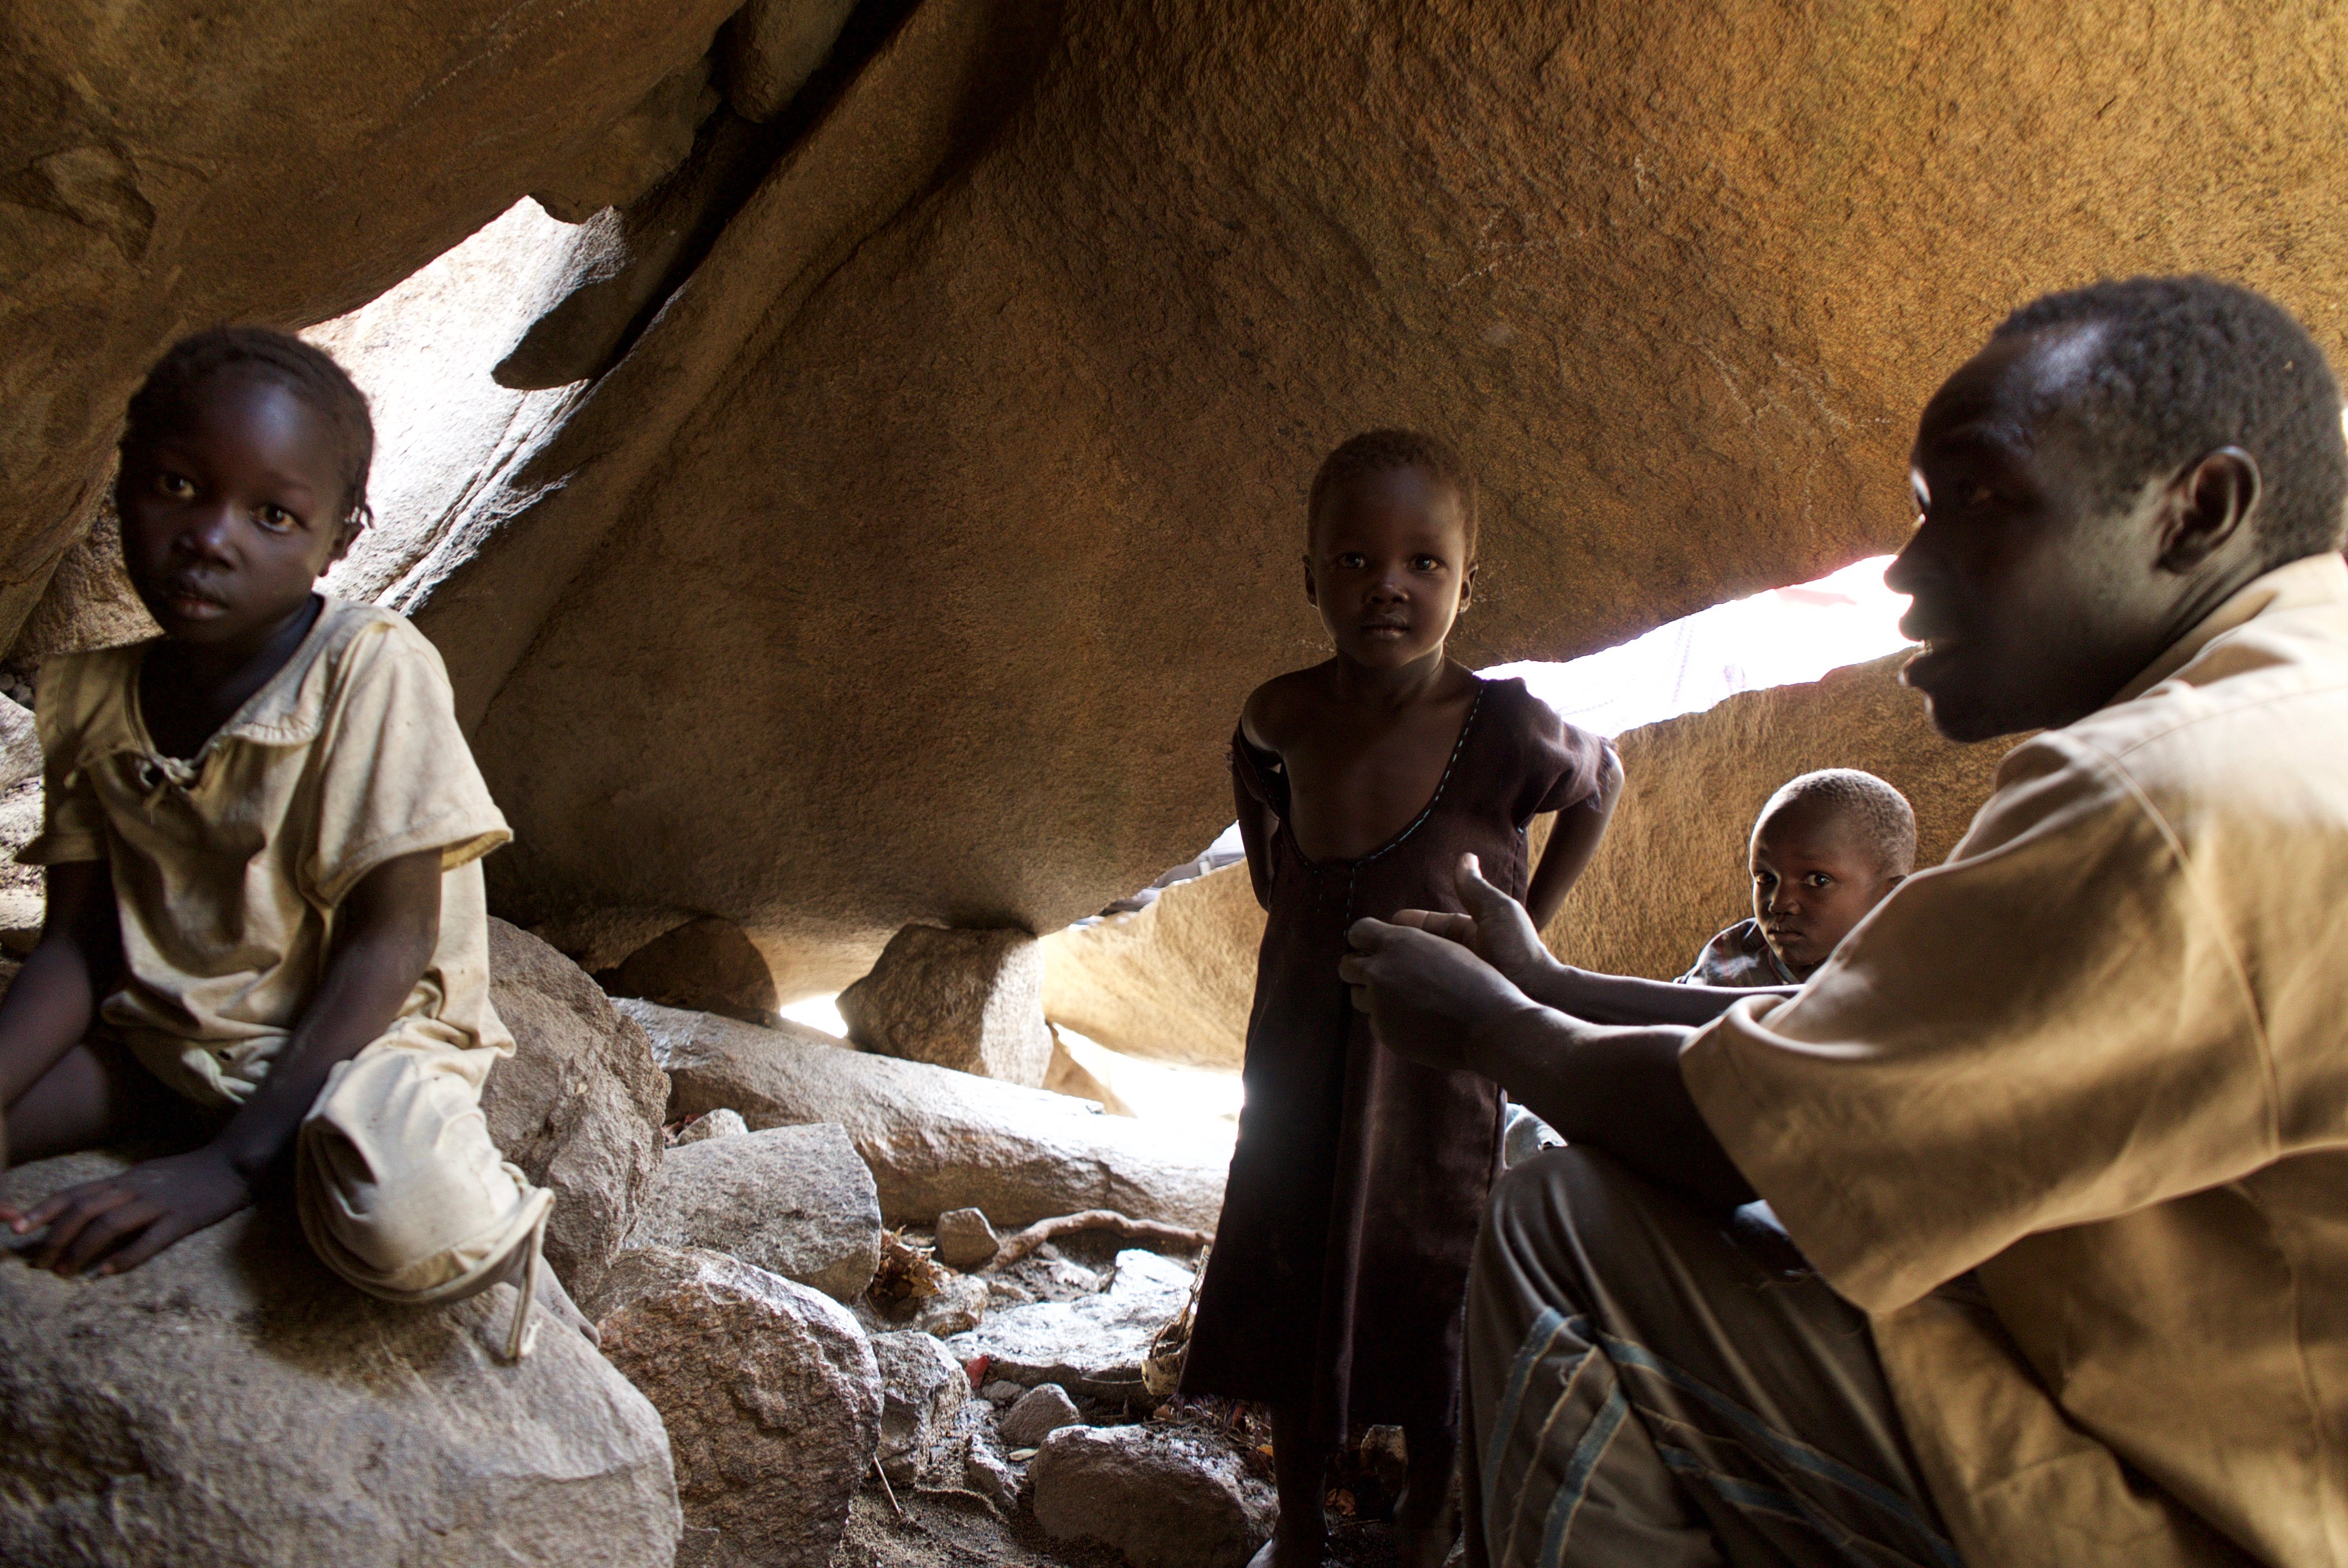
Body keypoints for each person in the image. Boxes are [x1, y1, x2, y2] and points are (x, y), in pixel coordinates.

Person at [1341, 276, 2348, 1567]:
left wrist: (1494, 1029)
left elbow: (1748, 1134)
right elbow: (1832, 1040)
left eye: (1974, 502)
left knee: (1563, 1227)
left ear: (2193, 511)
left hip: (2202, 1521)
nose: (1907, 570)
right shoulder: (2289, 712)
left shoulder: (2158, 793)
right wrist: (1551, 980)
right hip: (2257, 1451)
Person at [0, 327, 572, 1360]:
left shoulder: (371, 669)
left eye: (272, 514)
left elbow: (383, 950)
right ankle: (207, 1121)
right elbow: (78, 950)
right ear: (121, 487)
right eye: (175, 485)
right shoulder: (89, 696)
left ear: (340, 536)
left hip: (360, 1037)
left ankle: (284, 1142)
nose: (212, 536)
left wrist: (227, 1167)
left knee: (406, 1223)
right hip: (163, 1037)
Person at [1180, 429, 1623, 1568]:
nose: (1388, 586)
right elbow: (1255, 773)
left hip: (1437, 1052)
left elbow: (1599, 783)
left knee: (1431, 1259)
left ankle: (1429, 1511)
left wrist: (1524, 940)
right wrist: (1287, 889)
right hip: (1297, 1037)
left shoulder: (1505, 725)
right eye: (1355, 561)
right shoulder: (1281, 710)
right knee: (1285, 1239)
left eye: (1423, 563)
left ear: (1468, 583)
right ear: (1310, 576)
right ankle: (1294, 1518)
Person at [1677, 768, 1914, 986]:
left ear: (1890, 897)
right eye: (1765, 878)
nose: (1779, 903)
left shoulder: (1914, 981)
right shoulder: (1728, 963)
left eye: (1817, 881)